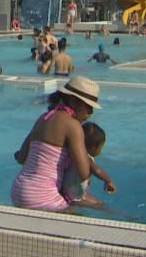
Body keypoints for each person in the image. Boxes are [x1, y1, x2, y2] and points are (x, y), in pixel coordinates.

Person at [11, 76, 102, 212]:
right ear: (73, 101)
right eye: (88, 107)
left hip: (18, 190)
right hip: (40, 197)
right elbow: (84, 172)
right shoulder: (73, 126)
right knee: (84, 216)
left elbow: (22, 158)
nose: (90, 112)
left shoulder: (43, 118)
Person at [61, 122, 116, 208]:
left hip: (67, 192)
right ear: (94, 148)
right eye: (101, 147)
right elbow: (97, 171)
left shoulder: (73, 153)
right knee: (100, 205)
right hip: (73, 198)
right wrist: (108, 181)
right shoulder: (86, 158)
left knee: (97, 201)